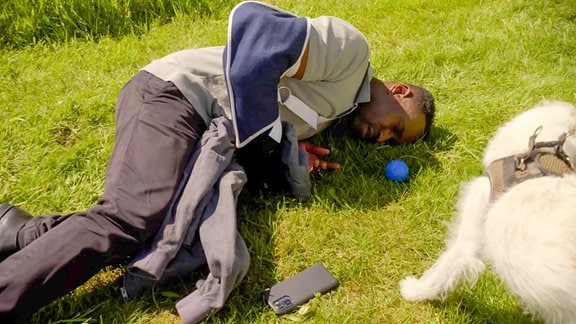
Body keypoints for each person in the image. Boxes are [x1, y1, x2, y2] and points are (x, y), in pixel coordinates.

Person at [0, 1, 435, 322]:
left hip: (203, 129)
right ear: (399, 92)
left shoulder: (336, 111)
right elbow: (258, 28)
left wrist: (289, 147)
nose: (385, 139)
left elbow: (274, 109)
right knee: (130, 216)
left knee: (168, 233)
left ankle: (15, 229)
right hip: (177, 97)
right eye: (398, 127)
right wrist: (263, 132)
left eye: (392, 144)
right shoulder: (351, 55)